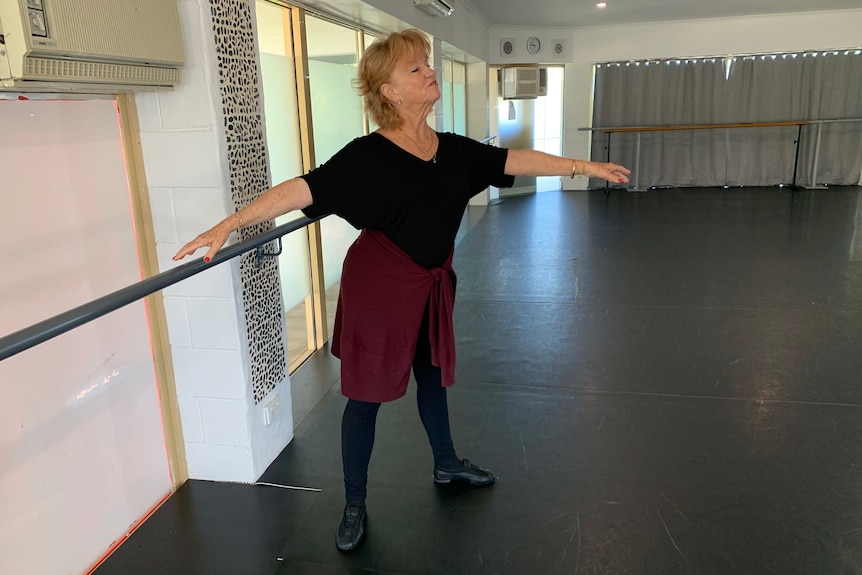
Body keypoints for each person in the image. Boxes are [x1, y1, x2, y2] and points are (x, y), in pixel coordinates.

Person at [173, 28, 630, 551]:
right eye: (415, 69)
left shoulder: (452, 151)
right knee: (365, 400)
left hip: (430, 287)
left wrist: (582, 165)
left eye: (426, 64)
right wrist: (230, 224)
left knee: (431, 378)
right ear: (388, 92)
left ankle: (446, 464)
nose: (429, 72)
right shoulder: (365, 158)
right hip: (379, 289)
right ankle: (354, 502)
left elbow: (510, 161)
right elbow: (302, 189)